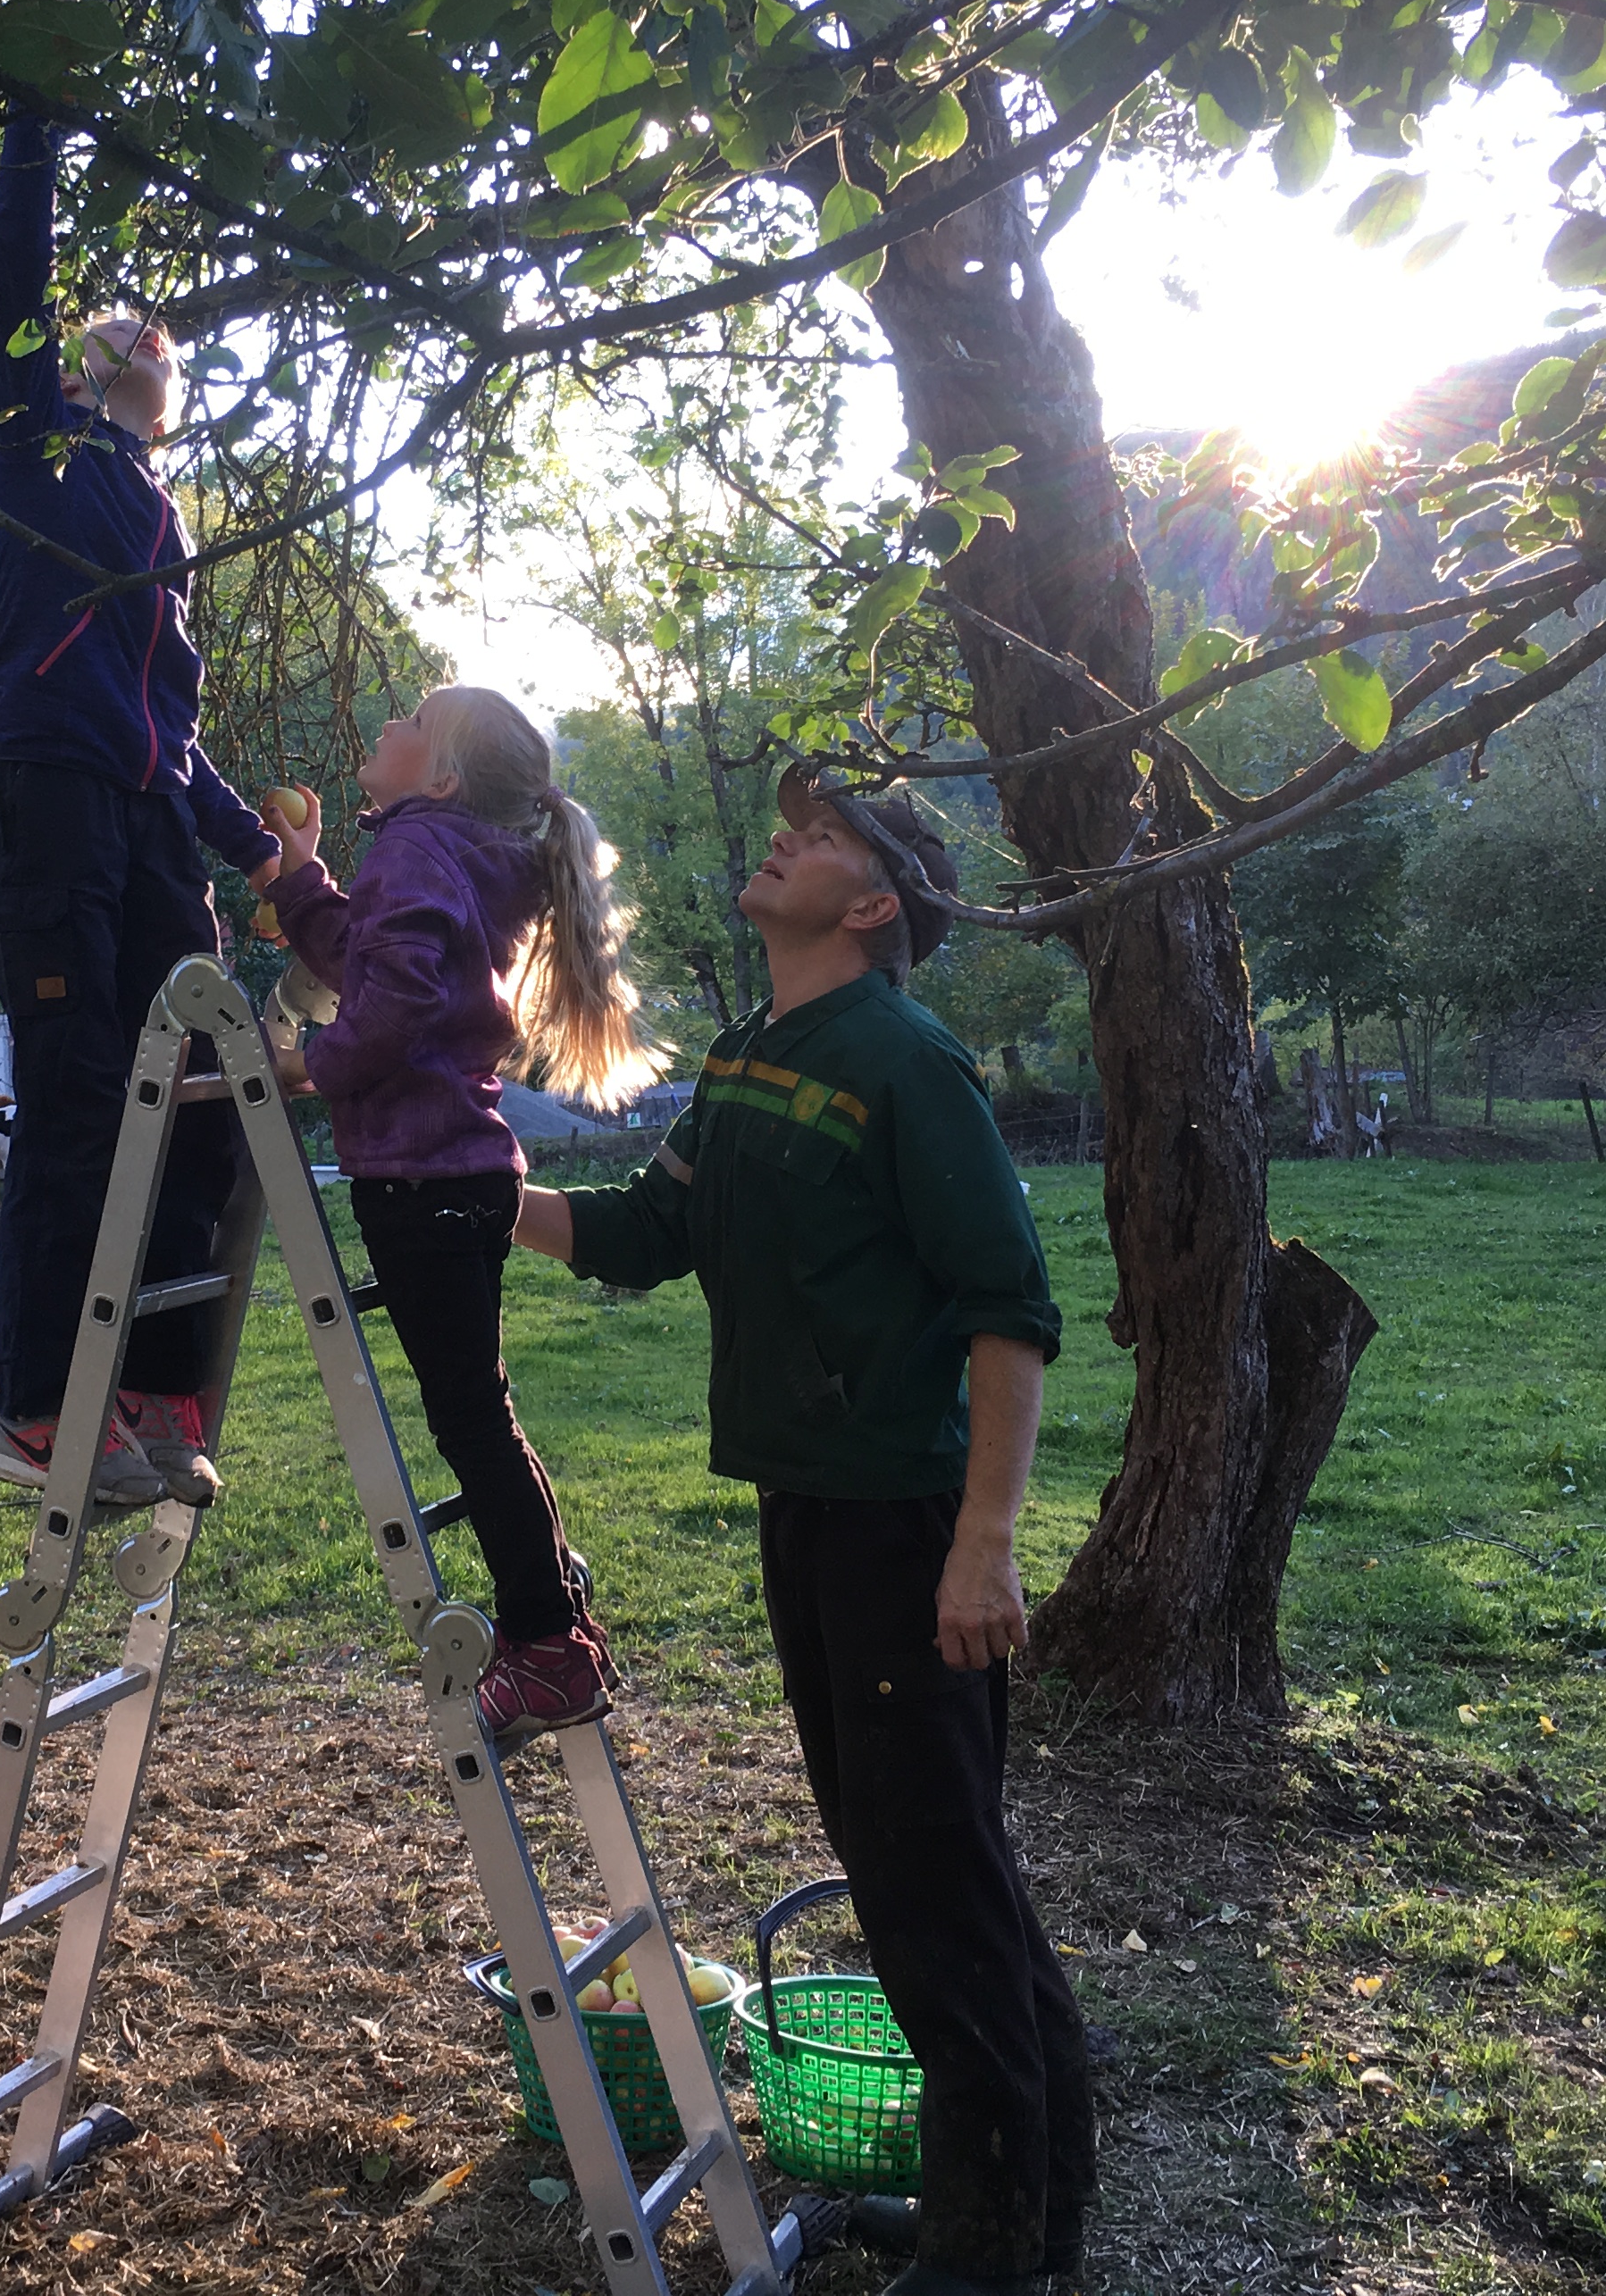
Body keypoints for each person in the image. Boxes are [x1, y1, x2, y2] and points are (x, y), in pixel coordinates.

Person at [510, 765, 1095, 2296]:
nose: (785, 838)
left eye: (822, 836)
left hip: (905, 1525)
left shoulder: (905, 1061)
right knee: (921, 1855)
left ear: (872, 900)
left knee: (925, 1871)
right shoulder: (760, 1051)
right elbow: (651, 1230)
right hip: (808, 1510)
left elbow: (1009, 1311)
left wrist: (986, 1543)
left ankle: (988, 2250)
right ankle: (1037, 2200)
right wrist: (485, 1188)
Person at [0, 0, 280, 1510]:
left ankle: (157, 1385)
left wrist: (276, 863)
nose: (144, 337)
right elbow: (18, 277)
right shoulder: (40, 461)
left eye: (164, 336)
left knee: (218, 1087)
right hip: (47, 809)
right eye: (116, 331)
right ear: (86, 371)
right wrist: (40, 91)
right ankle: (37, 1405)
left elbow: (176, 737)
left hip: (146, 819)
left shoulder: (164, 518)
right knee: (83, 1099)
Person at [255, 687, 664, 1747]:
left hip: (423, 1176)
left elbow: (386, 1009)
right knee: (483, 1410)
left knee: (472, 1420)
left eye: (408, 721)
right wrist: (301, 877)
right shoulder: (451, 849)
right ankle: (556, 1607)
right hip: (463, 1171)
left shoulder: (414, 847)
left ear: (438, 775)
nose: (383, 724)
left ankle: (546, 1641)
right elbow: (372, 959)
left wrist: (310, 1065)